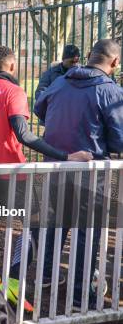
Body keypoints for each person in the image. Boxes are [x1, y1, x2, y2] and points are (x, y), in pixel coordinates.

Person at [0, 46, 91, 286]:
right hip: (11, 173)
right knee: (35, 224)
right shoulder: (13, 91)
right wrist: (65, 156)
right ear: (12, 66)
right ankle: (14, 280)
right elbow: (24, 135)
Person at [34, 39, 122, 308]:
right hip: (90, 170)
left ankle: (46, 276)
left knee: (56, 222)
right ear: (115, 63)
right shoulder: (110, 90)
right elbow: (119, 140)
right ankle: (78, 293)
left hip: (56, 164)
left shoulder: (60, 82)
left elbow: (40, 109)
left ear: (88, 56)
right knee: (87, 231)